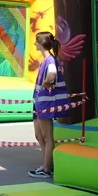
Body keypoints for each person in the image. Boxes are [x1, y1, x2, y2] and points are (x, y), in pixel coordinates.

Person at [29, 30, 68, 179]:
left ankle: (46, 169)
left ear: (41, 44)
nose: (35, 44)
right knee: (39, 135)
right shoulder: (46, 60)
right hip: (39, 102)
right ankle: (48, 163)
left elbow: (52, 74)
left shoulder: (50, 61)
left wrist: (46, 82)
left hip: (45, 102)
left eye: (36, 41)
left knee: (47, 136)